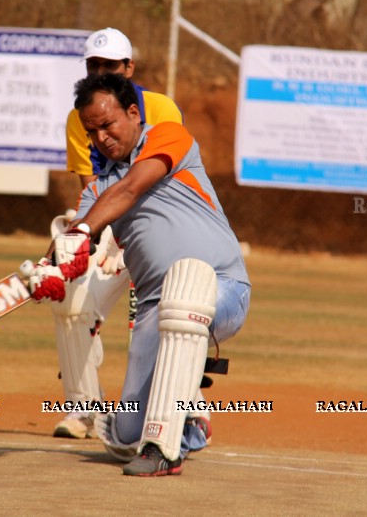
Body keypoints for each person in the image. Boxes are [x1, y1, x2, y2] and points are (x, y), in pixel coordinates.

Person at [28, 73, 250, 477]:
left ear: (133, 113)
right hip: (153, 309)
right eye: (92, 131)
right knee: (125, 432)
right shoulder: (100, 189)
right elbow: (79, 226)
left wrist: (82, 232)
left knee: (182, 300)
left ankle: (164, 448)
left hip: (222, 288)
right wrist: (49, 267)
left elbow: (129, 190)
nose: (101, 138)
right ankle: (189, 420)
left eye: (108, 124)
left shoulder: (169, 137)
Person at [49, 27, 184, 440]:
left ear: (129, 68)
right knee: (71, 303)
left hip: (161, 227)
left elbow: (163, 178)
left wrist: (127, 241)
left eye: (111, 66)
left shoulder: (161, 108)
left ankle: (186, 411)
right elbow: (93, 187)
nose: (102, 72)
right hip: (110, 226)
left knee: (167, 321)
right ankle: (83, 408)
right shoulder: (80, 116)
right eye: (94, 65)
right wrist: (88, 239)